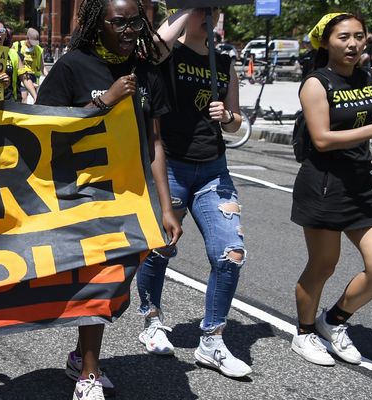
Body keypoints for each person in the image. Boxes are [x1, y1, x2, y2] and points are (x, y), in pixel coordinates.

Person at [35, 0, 181, 398]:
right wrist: (105, 101)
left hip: (131, 195)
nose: (130, 29)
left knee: (114, 283)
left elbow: (153, 142)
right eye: (119, 22)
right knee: (100, 282)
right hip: (85, 192)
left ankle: (80, 357)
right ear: (98, 23)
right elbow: (44, 130)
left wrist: (165, 207)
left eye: (135, 21)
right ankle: (88, 374)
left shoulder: (147, 68)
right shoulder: (72, 66)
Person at [290, 12, 372, 368]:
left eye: (359, 36)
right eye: (343, 37)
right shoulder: (316, 84)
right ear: (326, 42)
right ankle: (303, 333)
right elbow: (321, 139)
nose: (352, 44)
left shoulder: (369, 76)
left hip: (362, 187)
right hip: (323, 186)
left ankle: (332, 321)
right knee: (323, 265)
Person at [135, 7, 250, 378]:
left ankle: (212, 340)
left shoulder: (225, 61)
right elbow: (151, 49)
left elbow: (236, 122)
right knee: (161, 247)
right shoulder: (170, 53)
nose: (208, 15)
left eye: (212, 9)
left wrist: (228, 117)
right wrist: (186, 9)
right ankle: (152, 320)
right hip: (171, 166)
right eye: (202, 9)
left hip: (213, 169)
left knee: (230, 254)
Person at [9, 27, 44, 103]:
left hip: (33, 78)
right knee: (23, 97)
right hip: (21, 76)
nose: (33, 45)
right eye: (32, 43)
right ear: (27, 38)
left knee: (34, 99)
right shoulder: (17, 46)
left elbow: (42, 67)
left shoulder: (38, 49)